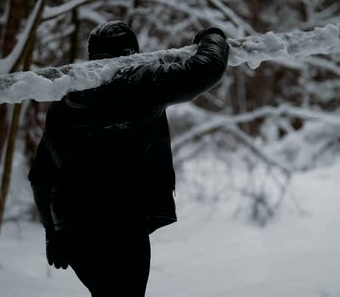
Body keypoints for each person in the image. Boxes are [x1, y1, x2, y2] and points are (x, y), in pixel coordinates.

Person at [28, 20, 229, 296]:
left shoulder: (66, 99)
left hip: (75, 232)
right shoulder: (140, 81)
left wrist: (53, 231)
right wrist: (212, 35)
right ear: (131, 52)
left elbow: (40, 174)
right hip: (123, 228)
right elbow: (206, 69)